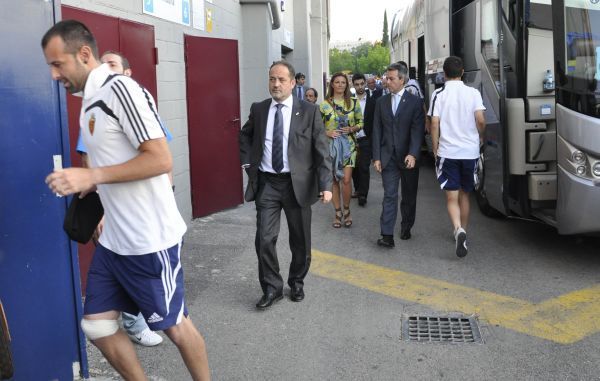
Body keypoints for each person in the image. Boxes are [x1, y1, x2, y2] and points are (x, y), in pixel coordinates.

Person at [41, 20, 210, 380]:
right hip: (116, 241)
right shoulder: (89, 102)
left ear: (84, 54)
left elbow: (159, 159)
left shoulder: (122, 90)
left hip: (150, 240)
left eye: (58, 64)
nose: (54, 74)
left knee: (175, 326)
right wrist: (92, 185)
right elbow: (115, 162)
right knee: (97, 326)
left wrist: (93, 175)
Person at [76, 50, 166, 347]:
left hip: (147, 219)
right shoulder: (93, 109)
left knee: (170, 315)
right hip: (115, 217)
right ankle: (135, 323)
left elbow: (161, 160)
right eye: (103, 64)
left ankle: (143, 321)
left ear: (127, 73)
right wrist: (100, 211)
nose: (104, 70)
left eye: (112, 65)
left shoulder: (138, 105)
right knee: (100, 318)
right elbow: (91, 165)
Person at [239, 61, 332, 310]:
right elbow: (245, 136)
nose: (276, 84)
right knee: (265, 239)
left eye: (281, 79)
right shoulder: (259, 109)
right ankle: (272, 288)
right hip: (268, 184)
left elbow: (321, 149)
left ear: (293, 83)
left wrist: (326, 184)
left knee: (300, 240)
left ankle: (297, 281)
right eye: (272, 79)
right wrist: (248, 165)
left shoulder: (309, 111)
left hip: (297, 186)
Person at [428, 56, 486, 258]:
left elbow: (434, 123)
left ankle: (457, 229)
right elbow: (480, 120)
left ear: (444, 73)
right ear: (463, 73)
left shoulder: (438, 94)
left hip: (448, 152)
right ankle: (464, 231)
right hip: (469, 152)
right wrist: (480, 138)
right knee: (465, 194)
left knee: (451, 196)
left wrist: (435, 148)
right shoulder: (473, 93)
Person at [372, 63, 425, 248]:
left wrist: (413, 153)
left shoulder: (415, 102)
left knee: (409, 196)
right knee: (390, 195)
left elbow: (417, 131)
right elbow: (376, 131)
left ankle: (406, 226)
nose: (387, 81)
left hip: (408, 157)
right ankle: (387, 235)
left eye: (391, 78)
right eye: (386, 78)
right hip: (388, 157)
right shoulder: (381, 102)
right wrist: (377, 157)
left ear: (402, 80)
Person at [320, 72, 363, 228]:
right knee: (334, 180)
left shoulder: (353, 102)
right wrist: (328, 132)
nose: (340, 85)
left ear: (347, 85)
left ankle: (347, 210)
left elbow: (361, 123)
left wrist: (352, 128)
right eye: (337, 82)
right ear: (332, 84)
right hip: (331, 147)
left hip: (349, 146)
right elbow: (317, 128)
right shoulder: (324, 104)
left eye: (343, 82)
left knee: (346, 179)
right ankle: (337, 212)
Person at [350, 73, 376, 206]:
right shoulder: (349, 101)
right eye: (357, 84)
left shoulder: (373, 100)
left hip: (366, 138)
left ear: (365, 83)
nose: (360, 87)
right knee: (354, 166)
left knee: (364, 167)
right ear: (353, 85)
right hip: (352, 139)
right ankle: (358, 189)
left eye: (362, 84)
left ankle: (363, 195)